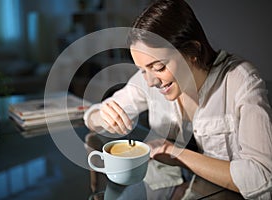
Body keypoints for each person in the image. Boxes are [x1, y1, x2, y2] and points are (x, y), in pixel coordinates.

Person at [83, 0, 272, 199]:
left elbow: (263, 177)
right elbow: (91, 118)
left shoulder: (240, 81)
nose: (150, 81)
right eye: (142, 70)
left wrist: (177, 154)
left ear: (192, 51)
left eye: (159, 67)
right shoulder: (148, 79)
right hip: (173, 185)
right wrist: (102, 115)